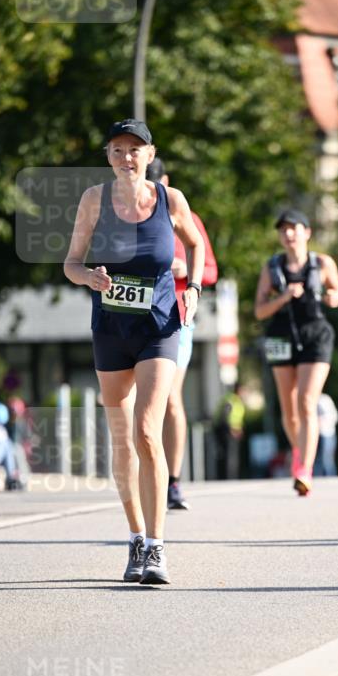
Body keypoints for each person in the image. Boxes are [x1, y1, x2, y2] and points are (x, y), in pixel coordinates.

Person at [64, 119, 205, 584]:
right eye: (119, 150)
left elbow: (195, 243)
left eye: (136, 150)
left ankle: (159, 548)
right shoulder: (93, 201)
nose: (127, 158)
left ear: (150, 155)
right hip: (110, 328)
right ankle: (136, 537)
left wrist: (195, 287)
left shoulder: (171, 200)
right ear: (109, 156)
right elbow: (71, 262)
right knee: (123, 439)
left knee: (148, 430)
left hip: (160, 327)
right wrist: (90, 278)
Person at [254, 208, 338, 496]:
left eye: (294, 228)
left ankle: (304, 469)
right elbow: (259, 311)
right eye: (283, 230)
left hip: (315, 335)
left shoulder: (323, 263)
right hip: (281, 336)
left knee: (307, 400)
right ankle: (299, 451)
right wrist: (283, 297)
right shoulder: (272, 268)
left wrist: (333, 297)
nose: (288, 234)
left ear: (307, 233)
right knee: (289, 407)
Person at [146, 157, 218, 510]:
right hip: (133, 318)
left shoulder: (184, 216)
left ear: (167, 181)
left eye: (156, 180)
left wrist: (182, 268)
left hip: (176, 315)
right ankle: (144, 476)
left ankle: (173, 481)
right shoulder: (121, 215)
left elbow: (211, 270)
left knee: (171, 396)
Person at [214, 384, 246, 479]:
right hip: (226, 430)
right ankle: (228, 476)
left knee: (232, 455)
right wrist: (231, 429)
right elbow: (225, 416)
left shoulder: (238, 401)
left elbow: (237, 418)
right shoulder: (231, 400)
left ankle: (232, 476)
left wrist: (239, 429)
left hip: (233, 431)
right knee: (228, 455)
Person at [315, 392, 338, 476]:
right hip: (316, 435)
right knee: (318, 459)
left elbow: (334, 416)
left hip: (327, 433)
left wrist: (322, 421)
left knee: (327, 459)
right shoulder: (310, 399)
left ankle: (330, 477)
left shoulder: (324, 399)